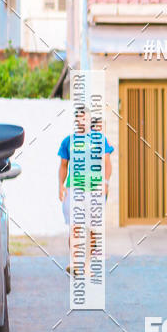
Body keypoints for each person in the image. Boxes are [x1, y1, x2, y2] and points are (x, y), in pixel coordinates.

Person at [58, 106, 113, 274]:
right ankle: (75, 262)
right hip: (74, 189)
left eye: (85, 118)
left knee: (91, 230)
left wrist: (105, 182)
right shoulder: (68, 141)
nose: (82, 121)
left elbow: (107, 162)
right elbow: (63, 165)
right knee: (75, 227)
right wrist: (60, 185)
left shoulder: (99, 140)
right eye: (79, 118)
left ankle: (87, 263)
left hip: (95, 189)